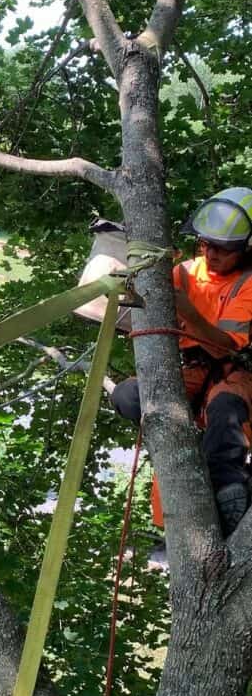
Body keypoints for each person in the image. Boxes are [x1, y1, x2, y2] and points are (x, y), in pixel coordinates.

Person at [112, 187, 252, 536]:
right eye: (206, 243)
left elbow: (226, 347)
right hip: (191, 368)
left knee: (226, 412)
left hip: (235, 372)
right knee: (127, 395)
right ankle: (187, 465)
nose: (211, 252)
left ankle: (230, 490)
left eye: (223, 248)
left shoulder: (248, 284)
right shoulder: (185, 272)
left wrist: (186, 311)